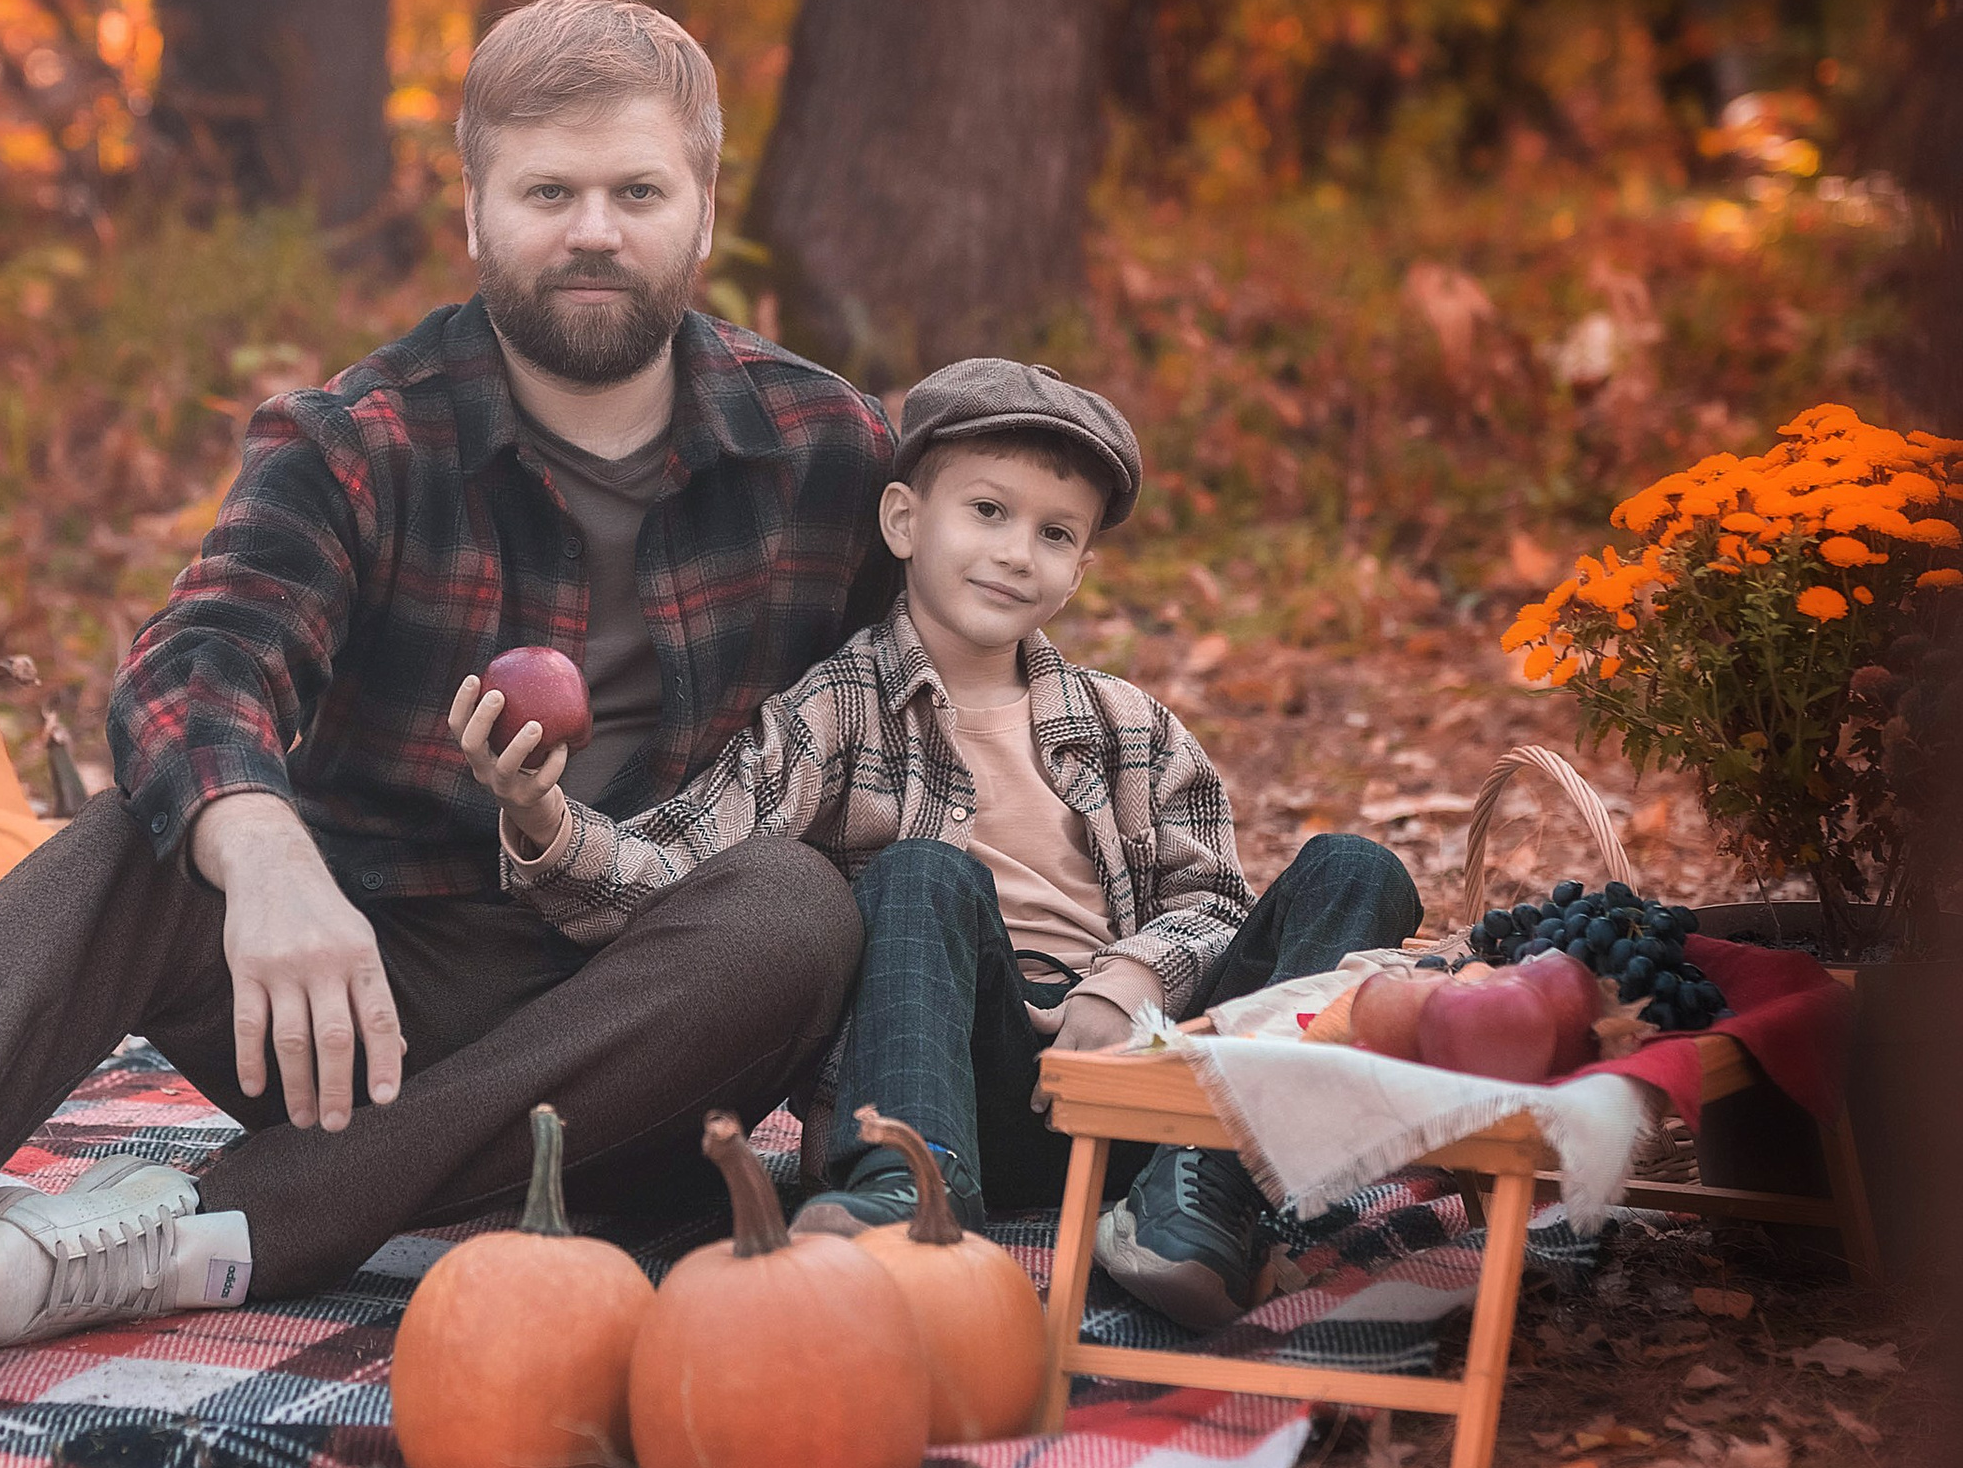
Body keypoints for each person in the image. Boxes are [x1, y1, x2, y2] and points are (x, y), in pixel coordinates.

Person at [0, 0, 895, 1446]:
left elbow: (981, 704)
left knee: (796, 910)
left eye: (637, 191)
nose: (593, 230)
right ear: (474, 213)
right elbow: (205, 655)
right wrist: (263, 853)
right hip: (356, 1012)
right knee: (151, 825)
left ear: (701, 213)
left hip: (653, 1034)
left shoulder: (823, 449)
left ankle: (208, 1220)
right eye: (548, 191)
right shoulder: (360, 440)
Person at [455, 358, 1420, 1326]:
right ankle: (903, 1180)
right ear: (905, 523)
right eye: (988, 512)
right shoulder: (835, 712)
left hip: (1146, 1094)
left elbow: (1213, 903)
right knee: (922, 871)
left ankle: (1207, 1197)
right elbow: (678, 870)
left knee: (1356, 869)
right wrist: (542, 818)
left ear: (1080, 570)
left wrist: (1131, 977)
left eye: (1053, 533)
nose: (1015, 553)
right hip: (956, 1082)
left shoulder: (1134, 728)